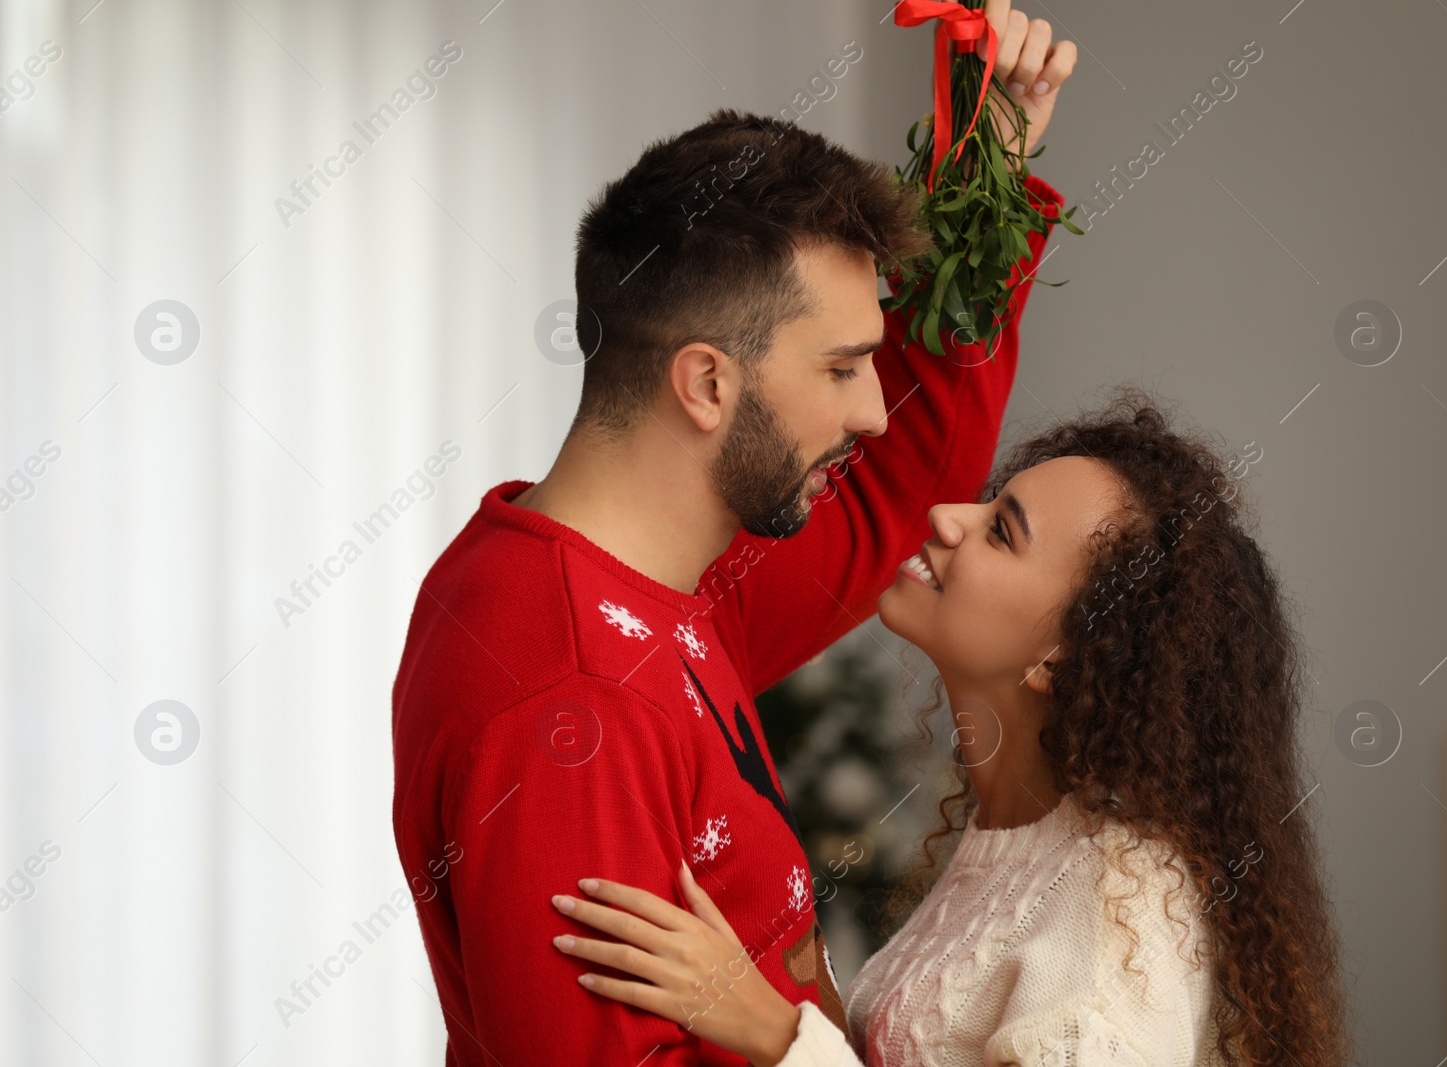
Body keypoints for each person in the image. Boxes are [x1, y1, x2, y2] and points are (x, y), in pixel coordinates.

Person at [389, 3, 1078, 1062]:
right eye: (842, 368)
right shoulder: (579, 695)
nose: (867, 410)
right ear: (707, 382)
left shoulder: (643, 579)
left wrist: (986, 170)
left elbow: (900, 480)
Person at [551, 392, 1352, 1067]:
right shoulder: (1018, 833)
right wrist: (804, 982)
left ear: (1061, 655)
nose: (944, 515)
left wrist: (768, 1026)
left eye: (1002, 529)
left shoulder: (1119, 901)